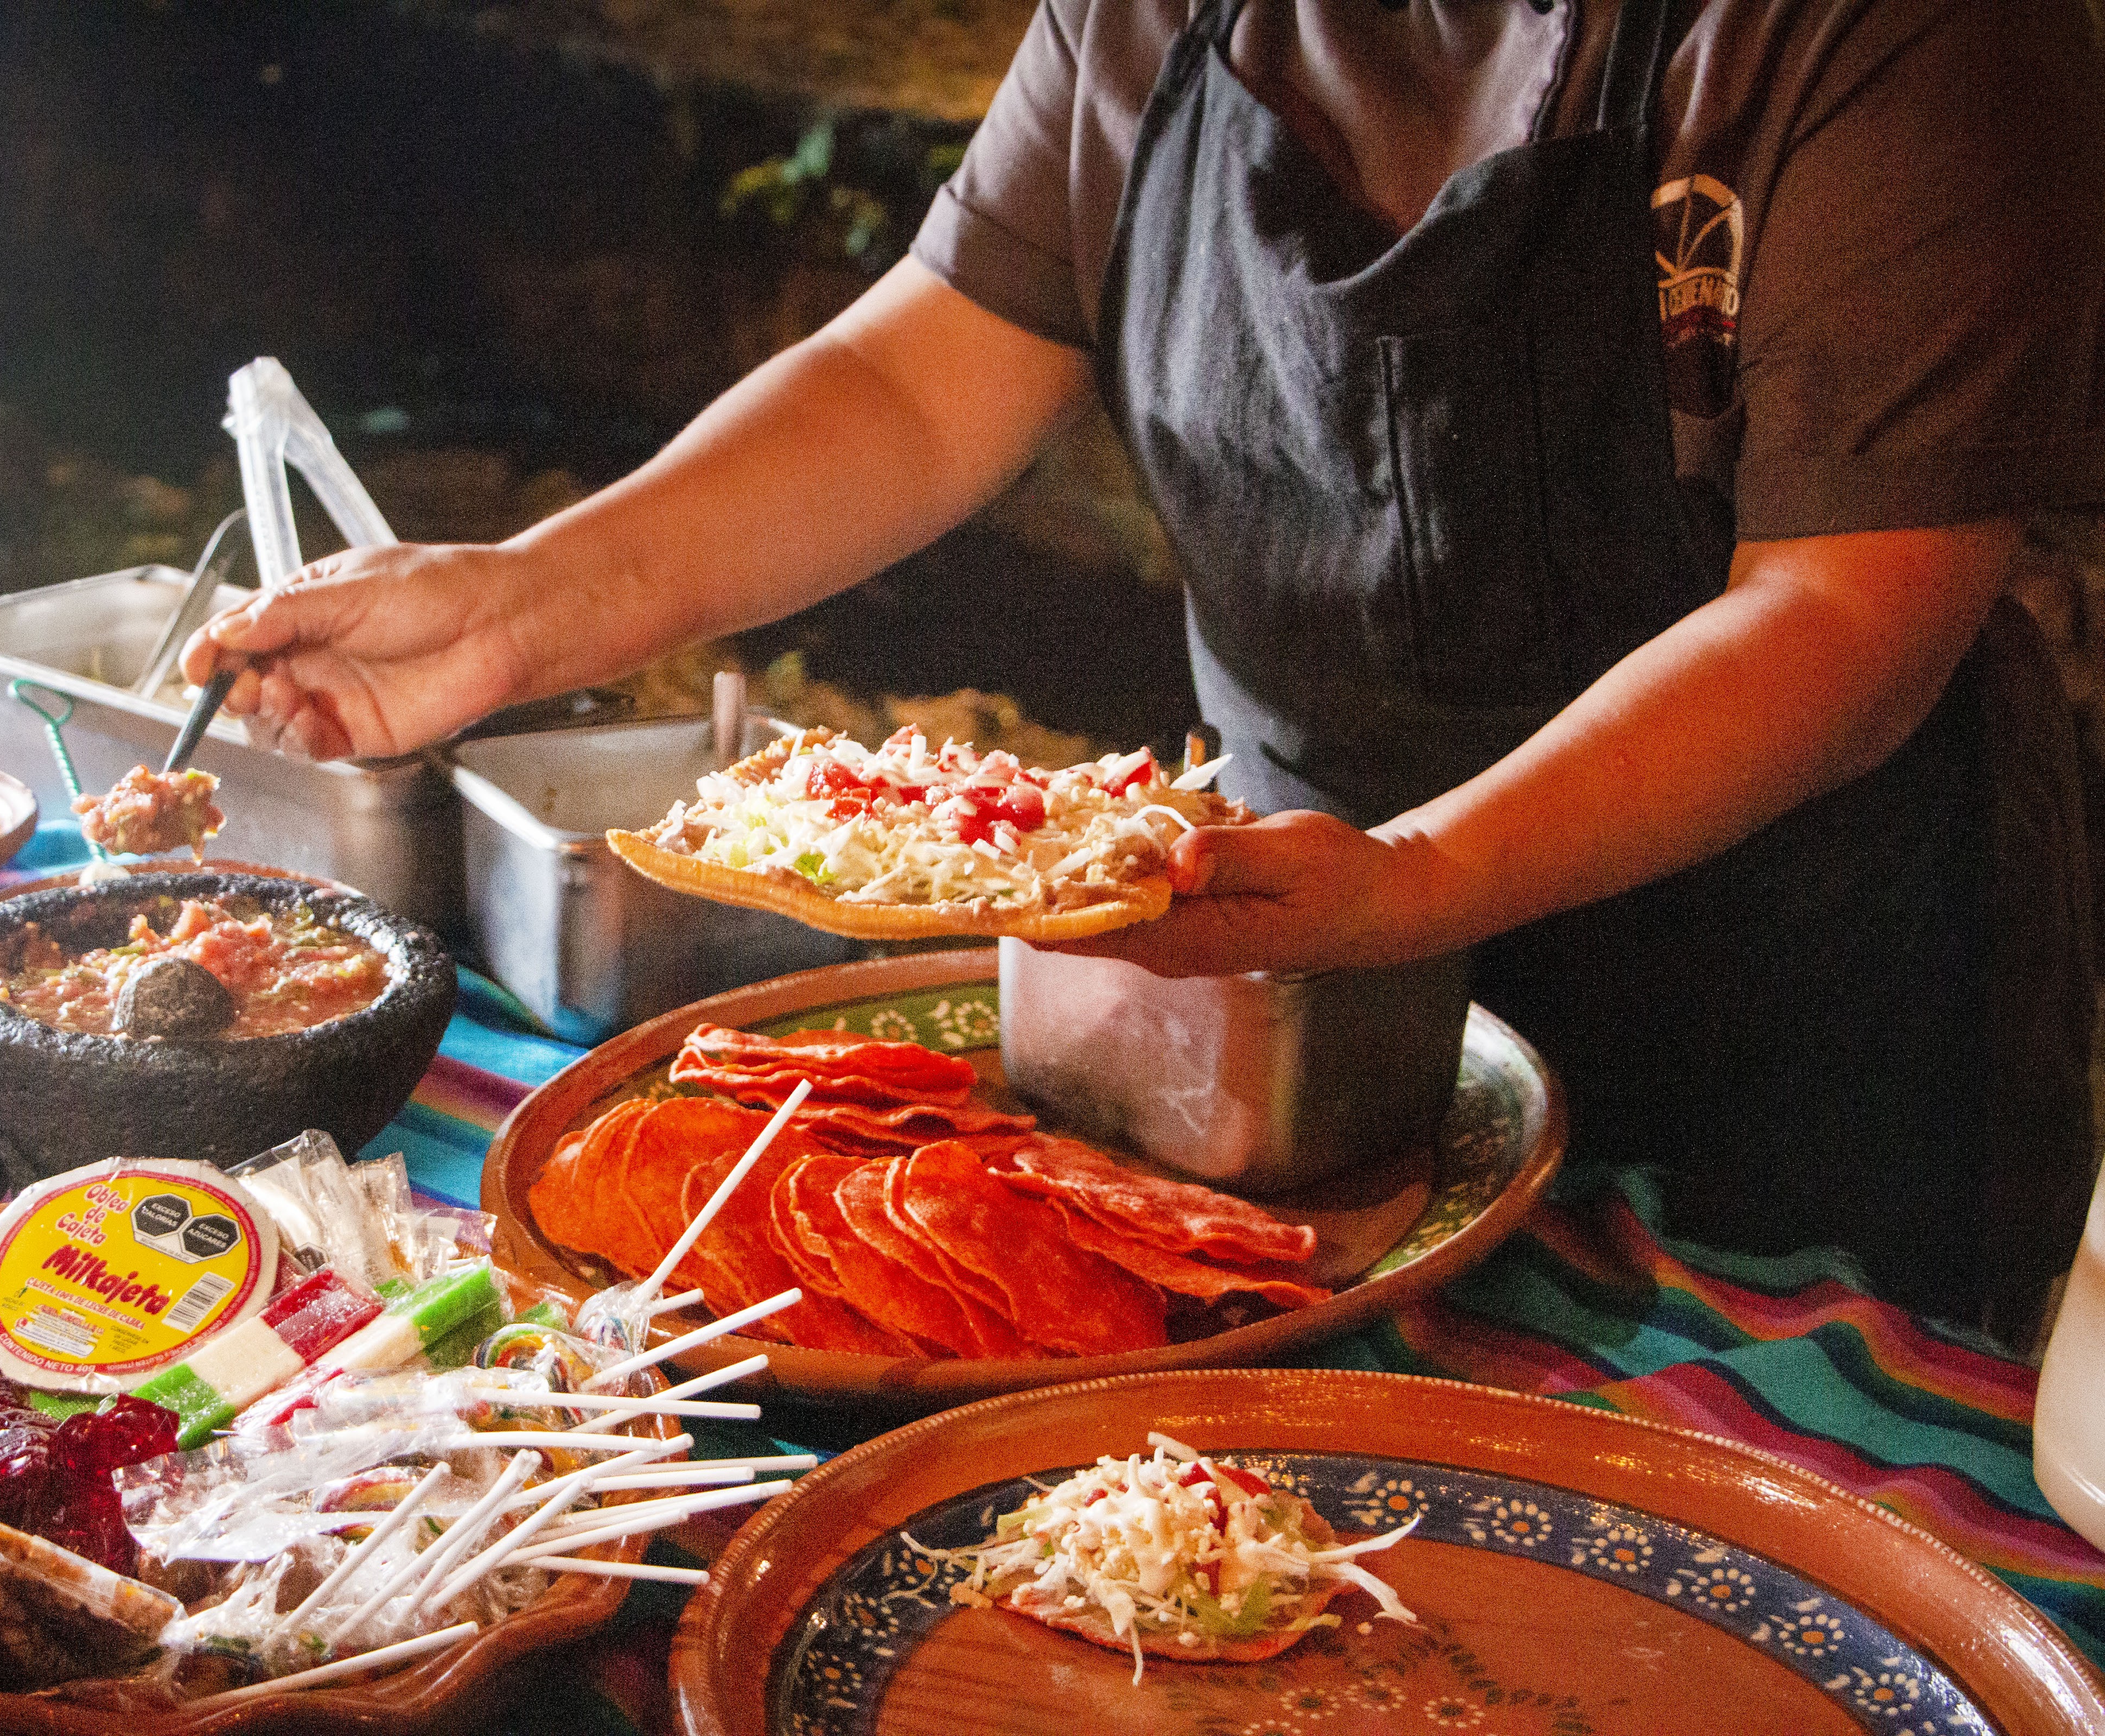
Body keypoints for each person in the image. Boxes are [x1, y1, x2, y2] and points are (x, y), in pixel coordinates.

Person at [186, 0, 2105, 1332]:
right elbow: (927, 372)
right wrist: (524, 603)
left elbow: (1850, 615)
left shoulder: (1895, 36)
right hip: (1276, 1011)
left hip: (1776, 1055)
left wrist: (1427, 876)